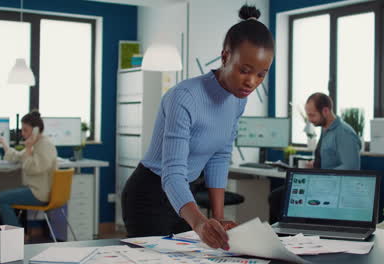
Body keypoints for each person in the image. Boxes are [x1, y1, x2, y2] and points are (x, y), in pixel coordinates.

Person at [121, 4, 274, 250]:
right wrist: (200, 223)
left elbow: (221, 154)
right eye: (245, 70)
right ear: (225, 56)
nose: (252, 82)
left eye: (261, 75)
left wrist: (218, 216)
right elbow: (172, 173)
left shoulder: (238, 99)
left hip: (186, 194)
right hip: (150, 194)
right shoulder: (184, 97)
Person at [269, 93, 361, 223]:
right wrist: (315, 164)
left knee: (279, 198)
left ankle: (287, 237)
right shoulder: (326, 129)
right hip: (321, 183)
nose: (310, 119)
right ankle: (284, 237)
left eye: (312, 115)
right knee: (277, 196)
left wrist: (321, 177)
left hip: (332, 187)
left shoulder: (343, 133)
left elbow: (351, 168)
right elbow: (330, 158)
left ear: (325, 111)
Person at [0, 110, 58, 227]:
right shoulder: (35, 144)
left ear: (36, 130)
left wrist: (28, 148)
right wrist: (4, 144)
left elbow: (31, 169)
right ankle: (16, 234)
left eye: (25, 130)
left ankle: (15, 235)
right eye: (22, 129)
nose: (22, 133)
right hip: (37, 190)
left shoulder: (44, 145)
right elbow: (17, 156)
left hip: (40, 194)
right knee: (4, 196)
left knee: (2, 198)